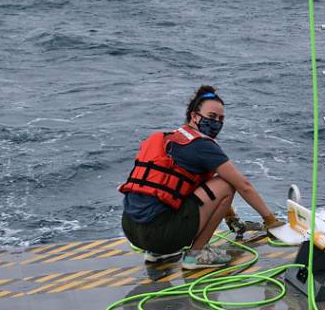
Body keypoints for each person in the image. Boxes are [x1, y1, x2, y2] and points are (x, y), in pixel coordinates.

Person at [119, 85, 282, 269]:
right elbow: (243, 185)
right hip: (160, 236)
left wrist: (231, 219)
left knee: (178, 191)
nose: (217, 123)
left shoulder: (169, 138)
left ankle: (157, 254)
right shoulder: (203, 146)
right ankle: (196, 255)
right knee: (227, 185)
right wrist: (271, 222)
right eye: (211, 117)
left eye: (221, 119)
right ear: (194, 116)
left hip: (131, 229)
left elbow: (194, 188)